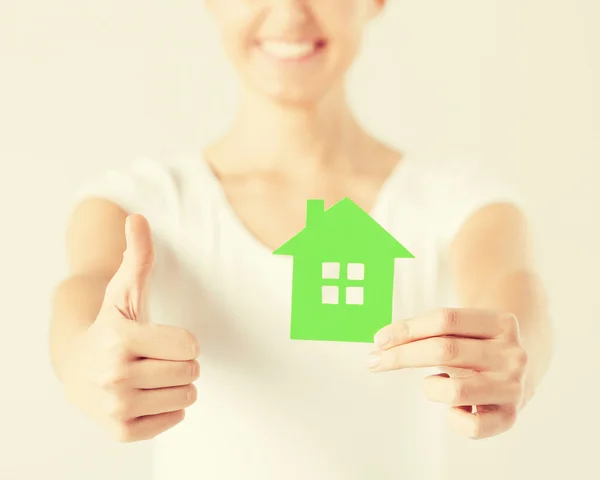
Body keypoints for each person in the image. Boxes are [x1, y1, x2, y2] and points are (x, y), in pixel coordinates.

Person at [49, 1, 553, 479]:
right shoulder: (138, 203)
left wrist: (516, 359)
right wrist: (81, 359)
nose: (291, 12)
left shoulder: (460, 202)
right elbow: (82, 296)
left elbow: (511, 291)